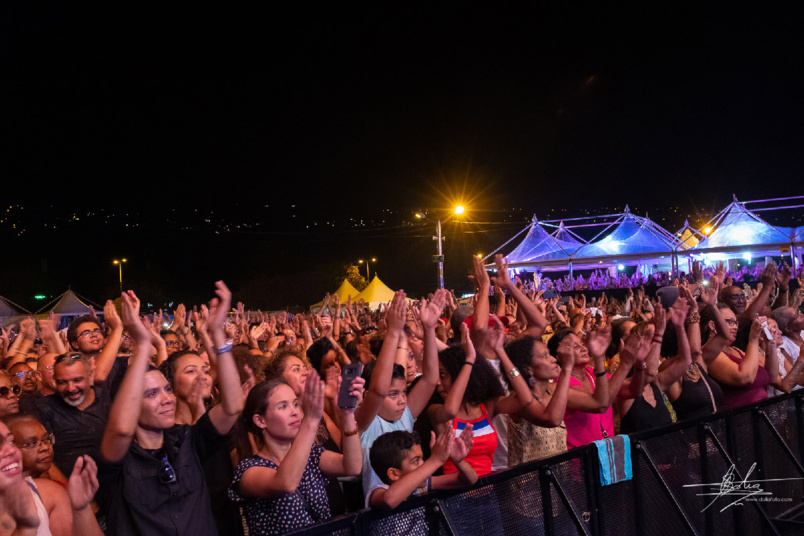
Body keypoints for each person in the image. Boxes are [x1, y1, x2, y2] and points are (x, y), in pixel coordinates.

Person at [97, 282, 244, 536]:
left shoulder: (188, 440)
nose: (167, 399)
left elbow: (232, 407)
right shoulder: (118, 458)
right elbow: (121, 429)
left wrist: (218, 334)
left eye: (167, 389)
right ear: (129, 403)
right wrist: (143, 343)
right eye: (151, 394)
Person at [228, 371, 363, 536]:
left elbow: (352, 466)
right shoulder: (248, 470)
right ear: (260, 421)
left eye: (295, 404)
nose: (294, 412)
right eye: (283, 406)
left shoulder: (311, 455)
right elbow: (286, 482)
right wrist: (310, 420)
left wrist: (347, 416)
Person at [355, 289, 442, 502]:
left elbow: (430, 379)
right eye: (393, 394)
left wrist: (429, 329)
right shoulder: (363, 423)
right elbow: (378, 390)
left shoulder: (404, 416)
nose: (402, 400)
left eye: (403, 392)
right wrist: (393, 332)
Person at [427, 320, 534, 477]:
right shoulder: (436, 411)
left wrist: (501, 352)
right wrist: (469, 360)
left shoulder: (487, 408)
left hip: (489, 488)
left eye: (443, 375)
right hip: (454, 489)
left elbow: (525, 399)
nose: (437, 382)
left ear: (460, 374)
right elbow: (451, 410)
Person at [503, 333, 575, 465]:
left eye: (550, 354)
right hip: (530, 478)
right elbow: (553, 419)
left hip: (560, 476)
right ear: (528, 369)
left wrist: (598, 357)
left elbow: (599, 403)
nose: (553, 359)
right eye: (545, 356)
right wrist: (567, 369)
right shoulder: (518, 399)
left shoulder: (552, 391)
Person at [367, 424, 476, 510]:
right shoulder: (378, 491)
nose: (423, 465)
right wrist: (435, 461)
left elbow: (470, 480)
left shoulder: (421, 485)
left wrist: (458, 461)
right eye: (416, 461)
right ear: (394, 474)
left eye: (422, 459)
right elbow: (389, 500)